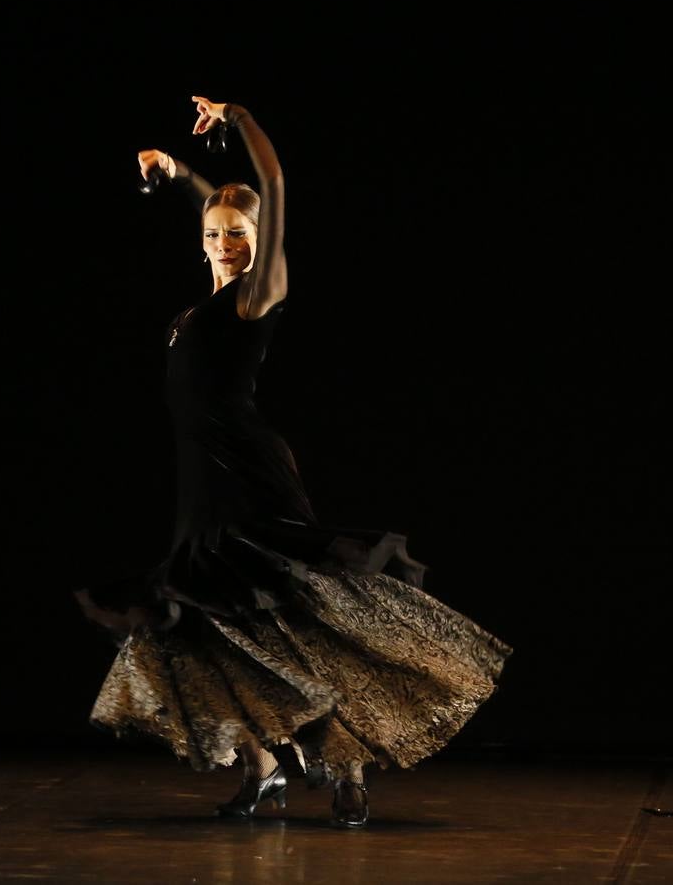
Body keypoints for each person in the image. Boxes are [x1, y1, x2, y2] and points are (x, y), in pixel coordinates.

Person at [74, 95, 513, 827]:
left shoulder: (257, 296)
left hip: (247, 476)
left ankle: (346, 773)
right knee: (213, 628)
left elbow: (270, 190)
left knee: (291, 627)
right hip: (199, 488)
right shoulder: (199, 303)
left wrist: (239, 120)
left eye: (238, 234)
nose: (224, 243)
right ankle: (266, 770)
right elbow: (215, 208)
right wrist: (180, 170)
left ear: (260, 241)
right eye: (214, 233)